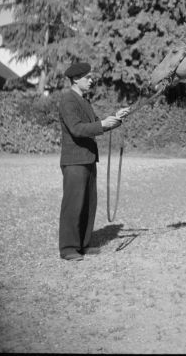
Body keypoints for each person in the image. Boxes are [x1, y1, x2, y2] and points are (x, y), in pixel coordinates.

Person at [58, 62, 130, 261]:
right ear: (75, 79)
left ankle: (83, 244)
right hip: (74, 161)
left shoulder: (84, 101)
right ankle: (68, 248)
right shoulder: (68, 100)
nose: (91, 81)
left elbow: (97, 125)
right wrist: (102, 124)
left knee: (88, 203)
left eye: (91, 78)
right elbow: (77, 129)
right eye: (88, 78)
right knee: (73, 204)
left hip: (88, 159)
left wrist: (116, 118)